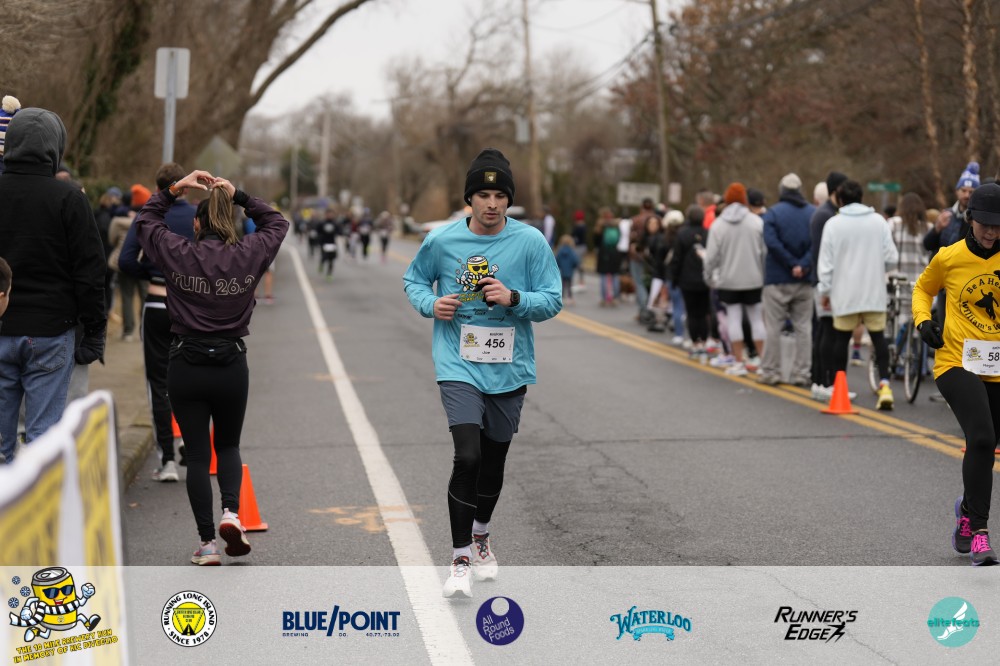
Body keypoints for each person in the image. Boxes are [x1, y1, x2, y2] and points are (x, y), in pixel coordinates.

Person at [402, 148, 561, 598]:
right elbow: (414, 280)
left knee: (493, 462)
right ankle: (459, 560)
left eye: (500, 196)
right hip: (458, 363)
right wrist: (431, 303)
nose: (492, 204)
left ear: (508, 200)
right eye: (483, 195)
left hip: (510, 366)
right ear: (469, 199)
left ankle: (480, 534)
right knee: (467, 456)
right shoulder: (441, 241)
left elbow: (552, 299)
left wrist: (514, 298)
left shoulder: (530, 242)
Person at [135, 169, 289, 565]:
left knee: (199, 456)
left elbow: (146, 221)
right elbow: (277, 222)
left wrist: (175, 188)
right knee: (229, 445)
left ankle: (207, 545)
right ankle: (232, 513)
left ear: (196, 225)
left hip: (186, 363)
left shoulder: (178, 251)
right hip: (231, 363)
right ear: (232, 223)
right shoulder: (250, 251)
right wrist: (239, 196)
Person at [0, 107, 106, 464]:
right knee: (43, 445)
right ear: (55, 148)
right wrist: (95, 330)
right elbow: (90, 272)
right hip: (50, 330)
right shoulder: (69, 199)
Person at [912, 182, 1000, 566]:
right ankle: (979, 532)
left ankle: (966, 509)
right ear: (970, 218)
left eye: (999, 225)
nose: (992, 232)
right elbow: (922, 290)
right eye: (985, 223)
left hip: (996, 364)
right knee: (980, 438)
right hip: (955, 361)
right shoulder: (949, 257)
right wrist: (923, 321)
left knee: (989, 444)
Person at [119, 163, 197, 482]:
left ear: (157, 187)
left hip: (155, 301)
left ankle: (167, 460)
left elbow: (125, 260)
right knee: (192, 377)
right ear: (186, 187)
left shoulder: (148, 216)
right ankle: (191, 443)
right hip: (190, 305)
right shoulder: (197, 216)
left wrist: (149, 274)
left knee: (158, 383)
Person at [817, 180, 898, 410]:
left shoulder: (833, 224)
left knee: (841, 339)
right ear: (862, 198)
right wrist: (876, 268)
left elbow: (826, 264)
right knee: (878, 338)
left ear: (840, 200)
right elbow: (891, 258)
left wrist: (825, 291)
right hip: (873, 291)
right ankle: (885, 385)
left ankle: (839, 386)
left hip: (844, 292)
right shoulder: (878, 222)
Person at [702, 183, 767, 376]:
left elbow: (711, 256)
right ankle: (763, 362)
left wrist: (709, 277)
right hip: (754, 279)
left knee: (734, 320)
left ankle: (738, 361)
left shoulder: (718, 225)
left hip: (728, 280)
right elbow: (764, 252)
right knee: (757, 320)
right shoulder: (756, 222)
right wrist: (763, 274)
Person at [758, 173, 816, 386]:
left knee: (774, 327)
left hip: (777, 278)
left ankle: (771, 371)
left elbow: (771, 242)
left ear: (782, 190)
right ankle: (802, 372)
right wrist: (802, 264)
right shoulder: (812, 213)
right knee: (803, 327)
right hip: (804, 280)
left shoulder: (773, 213)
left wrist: (791, 264)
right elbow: (816, 244)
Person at [809, 171, 849, 401]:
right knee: (827, 331)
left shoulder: (828, 213)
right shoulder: (825, 215)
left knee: (828, 332)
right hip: (826, 282)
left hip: (829, 281)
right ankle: (824, 381)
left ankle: (823, 381)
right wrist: (825, 285)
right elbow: (821, 254)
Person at [110, 186, 151, 341]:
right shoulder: (151, 219)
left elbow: (111, 239)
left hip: (124, 262)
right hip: (144, 262)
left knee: (127, 296)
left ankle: (128, 331)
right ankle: (144, 330)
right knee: (145, 296)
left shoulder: (118, 221)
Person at [669, 205, 712, 354]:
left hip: (687, 279)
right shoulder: (708, 234)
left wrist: (674, 278)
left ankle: (695, 342)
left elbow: (677, 259)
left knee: (692, 313)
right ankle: (704, 341)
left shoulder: (682, 235)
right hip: (705, 279)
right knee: (704, 312)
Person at [594, 207, 622, 306]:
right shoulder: (616, 226)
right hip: (615, 252)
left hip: (603, 253)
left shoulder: (600, 226)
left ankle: (604, 298)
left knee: (603, 276)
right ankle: (615, 298)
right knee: (615, 275)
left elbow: (596, 241)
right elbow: (619, 239)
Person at [555, 234, 579, 305]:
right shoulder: (572, 251)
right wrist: (574, 266)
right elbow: (575, 260)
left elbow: (557, 260)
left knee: (562, 285)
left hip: (562, 271)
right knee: (569, 285)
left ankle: (562, 297)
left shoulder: (560, 251)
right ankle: (570, 297)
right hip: (570, 271)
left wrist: (559, 266)